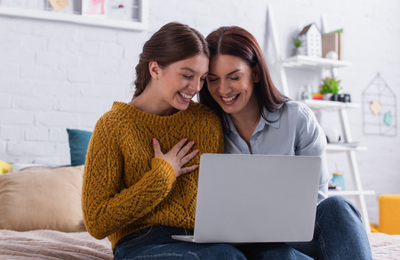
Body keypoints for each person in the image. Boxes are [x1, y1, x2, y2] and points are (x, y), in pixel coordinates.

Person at [199, 26, 373, 260]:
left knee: (337, 207)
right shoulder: (206, 128)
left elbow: (318, 199)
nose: (223, 89)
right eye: (213, 80)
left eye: (235, 77)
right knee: (274, 254)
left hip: (300, 237)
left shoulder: (297, 118)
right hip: (246, 245)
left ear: (257, 73)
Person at [82, 22, 247, 260]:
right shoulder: (113, 126)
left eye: (202, 78)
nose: (195, 87)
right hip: (140, 243)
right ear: (155, 69)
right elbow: (97, 222)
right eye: (187, 75)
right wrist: (163, 175)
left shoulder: (206, 121)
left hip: (200, 241)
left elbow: (215, 201)